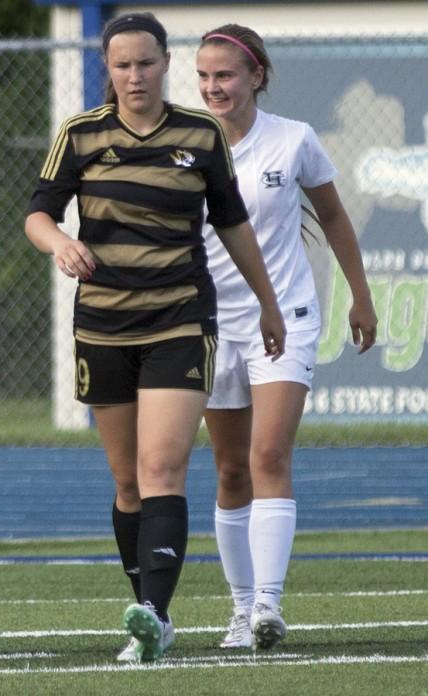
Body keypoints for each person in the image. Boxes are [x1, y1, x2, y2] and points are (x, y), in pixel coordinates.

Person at [24, 13, 287, 663]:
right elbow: (37, 213)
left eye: (145, 63)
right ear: (106, 69)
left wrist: (268, 304)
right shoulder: (81, 135)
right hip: (103, 326)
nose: (134, 75)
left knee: (162, 467)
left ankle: (153, 613)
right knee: (126, 484)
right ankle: (149, 607)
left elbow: (233, 225)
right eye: (122, 65)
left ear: (165, 63)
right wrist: (59, 241)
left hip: (179, 320)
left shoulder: (200, 135)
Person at [196, 25, 378, 651]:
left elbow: (332, 215)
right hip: (212, 322)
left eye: (226, 75)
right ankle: (240, 610)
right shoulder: (186, 145)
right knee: (228, 469)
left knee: (268, 455)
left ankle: (268, 605)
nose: (214, 87)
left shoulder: (295, 139)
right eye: (204, 76)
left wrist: (361, 294)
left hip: (288, 316)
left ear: (257, 77)